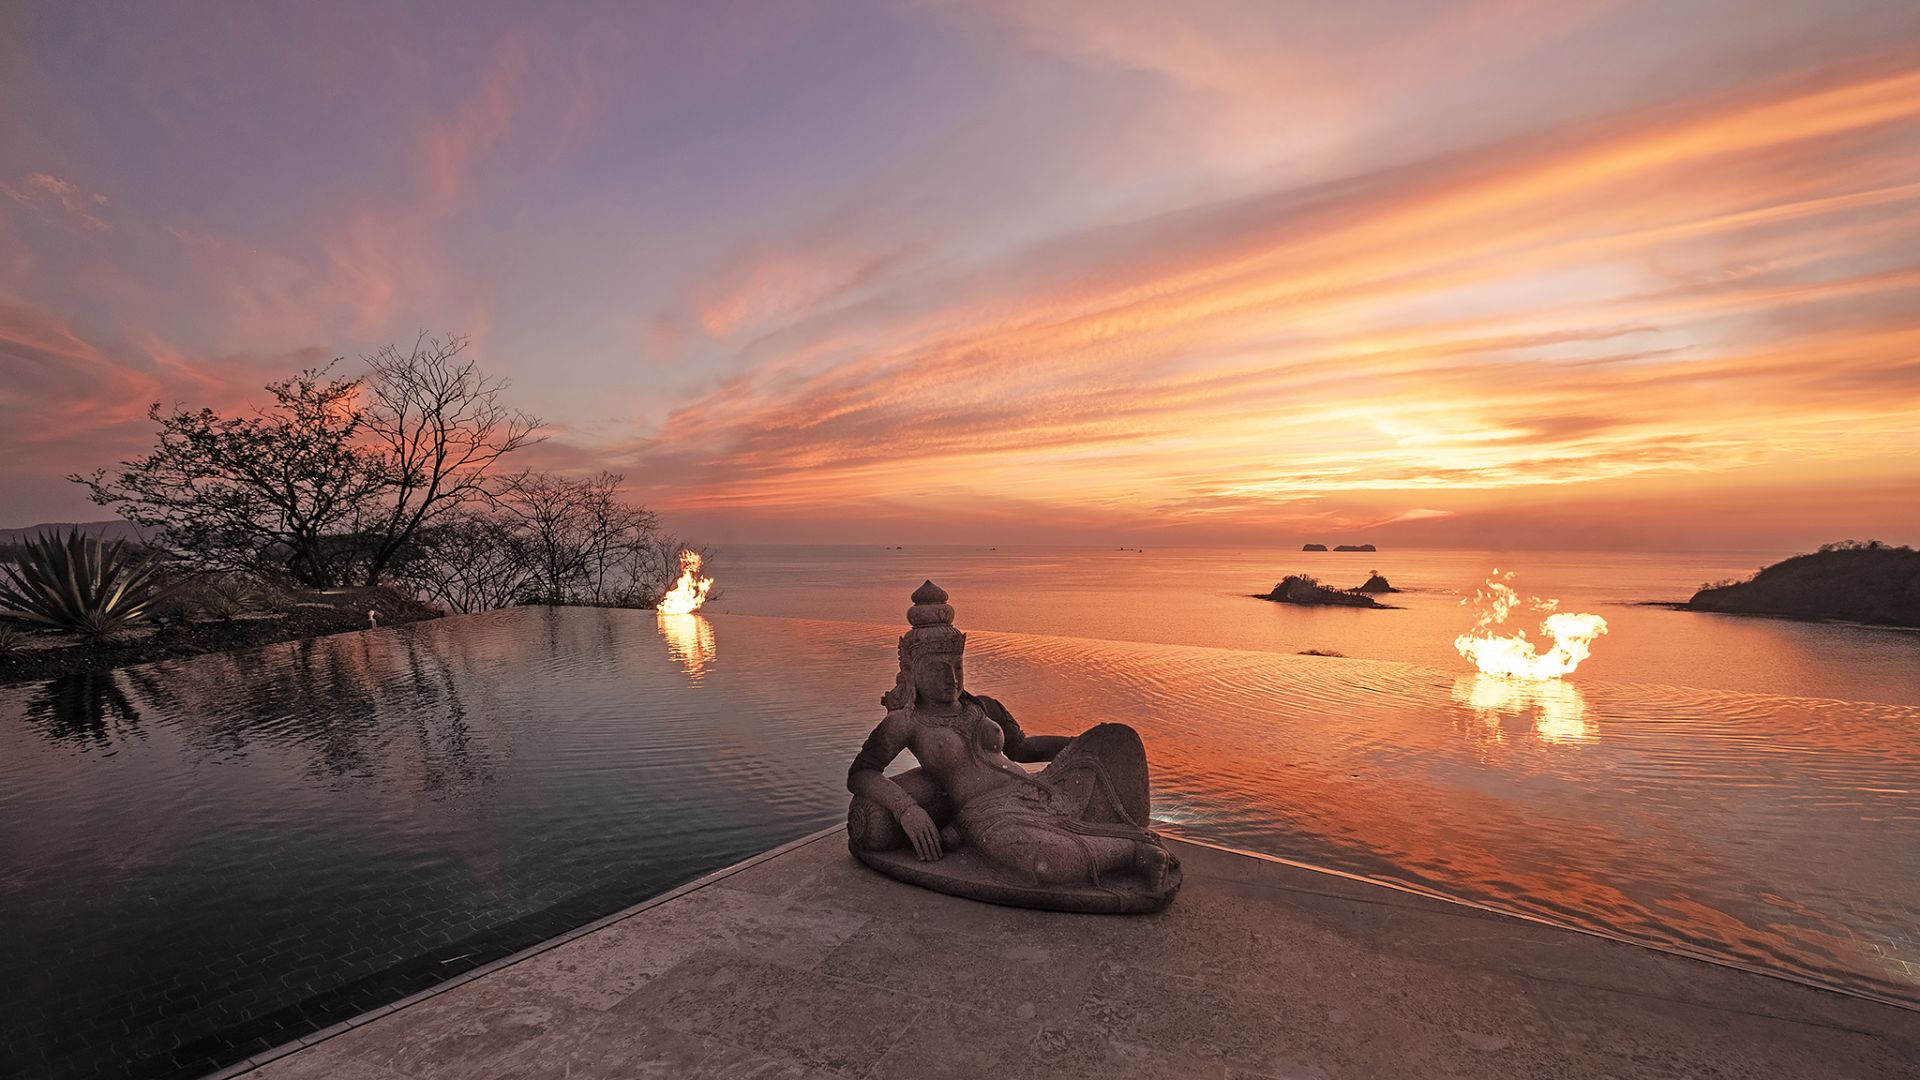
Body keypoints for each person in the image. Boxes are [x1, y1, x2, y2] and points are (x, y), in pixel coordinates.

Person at [847, 581, 1173, 892]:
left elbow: (1022, 748)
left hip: (1036, 788)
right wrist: (907, 809)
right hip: (988, 814)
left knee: (1119, 739)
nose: (951, 678)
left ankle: (1126, 839)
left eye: (957, 667)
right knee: (1049, 861)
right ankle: (1132, 853)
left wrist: (1079, 744)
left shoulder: (983, 706)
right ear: (914, 671)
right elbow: (861, 773)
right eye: (937, 669)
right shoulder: (908, 722)